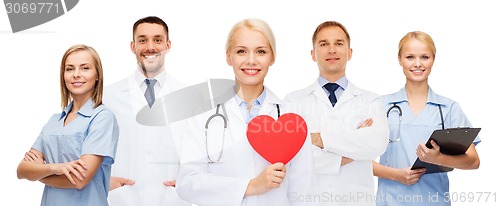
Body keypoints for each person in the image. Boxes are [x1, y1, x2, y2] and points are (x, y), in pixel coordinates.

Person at [175, 18, 313, 206]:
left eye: (261, 52)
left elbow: (302, 192)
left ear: (272, 57)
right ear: (228, 57)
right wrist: (251, 186)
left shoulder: (293, 118)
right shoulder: (203, 115)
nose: (251, 60)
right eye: (241, 51)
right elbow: (187, 182)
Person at [285, 21, 389, 206]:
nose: (332, 50)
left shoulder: (370, 100)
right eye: (324, 44)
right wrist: (355, 150)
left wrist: (318, 139)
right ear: (312, 54)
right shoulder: (293, 102)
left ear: (349, 53)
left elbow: (377, 143)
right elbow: (292, 157)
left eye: (339, 43)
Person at [372, 31, 480, 206]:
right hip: (391, 201)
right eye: (409, 57)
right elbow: (356, 159)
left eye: (424, 57)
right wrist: (397, 175)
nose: (417, 64)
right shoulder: (380, 106)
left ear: (433, 60)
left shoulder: (448, 108)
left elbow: (473, 161)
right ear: (399, 59)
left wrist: (438, 159)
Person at [103, 16, 191, 206]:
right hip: (123, 198)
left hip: (173, 199)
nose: (150, 47)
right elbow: (90, 150)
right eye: (142, 40)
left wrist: (190, 182)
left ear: (168, 45)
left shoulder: (188, 96)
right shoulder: (108, 96)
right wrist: (102, 181)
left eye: (157, 40)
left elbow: (201, 150)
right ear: (133, 46)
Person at [16, 44, 119, 206]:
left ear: (97, 74)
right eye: (70, 69)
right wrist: (54, 168)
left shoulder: (102, 117)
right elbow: (21, 171)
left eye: (85, 68)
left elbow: (79, 180)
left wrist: (38, 173)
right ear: (63, 75)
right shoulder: (54, 121)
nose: (76, 75)